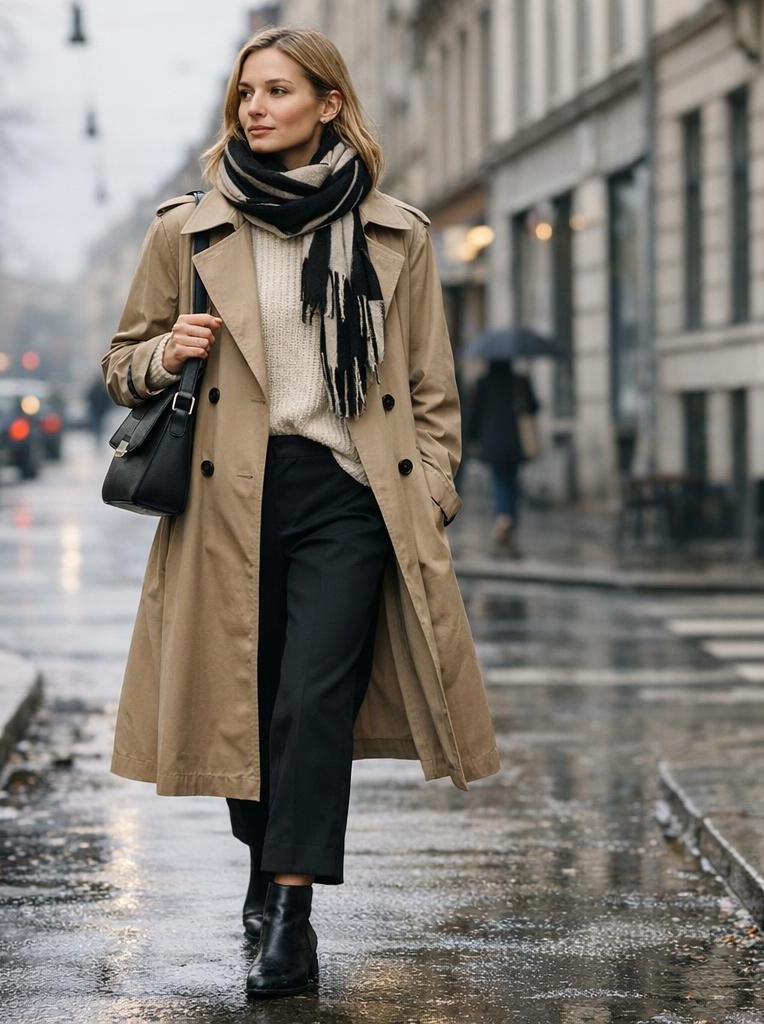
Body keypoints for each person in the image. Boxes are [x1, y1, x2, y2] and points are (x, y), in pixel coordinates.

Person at [100, 26, 500, 1000]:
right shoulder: (187, 229)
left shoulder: (395, 236)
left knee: (313, 700)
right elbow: (119, 364)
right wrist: (168, 353)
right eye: (246, 93)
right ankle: (260, 855)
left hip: (350, 498)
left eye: (278, 90)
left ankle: (292, 909)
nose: (256, 107)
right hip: (224, 497)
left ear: (330, 103)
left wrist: (431, 489)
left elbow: (431, 391)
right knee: (249, 701)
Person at [465, 360, 539, 557]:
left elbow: (474, 413)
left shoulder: (483, 382)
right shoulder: (520, 381)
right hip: (516, 442)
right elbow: (534, 407)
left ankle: (503, 517)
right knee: (512, 481)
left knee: (499, 480)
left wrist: (471, 437)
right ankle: (510, 519)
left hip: (493, 442)